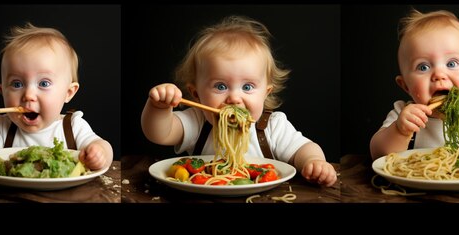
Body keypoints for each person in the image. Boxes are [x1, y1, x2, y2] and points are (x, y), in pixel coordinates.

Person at [141, 16, 337, 187]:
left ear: (265, 93)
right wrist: (159, 108)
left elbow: (304, 148)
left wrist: (314, 161)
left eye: (247, 87)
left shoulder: (272, 126)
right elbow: (159, 133)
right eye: (220, 86)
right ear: (196, 94)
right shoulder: (197, 121)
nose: (234, 98)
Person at [0, 23, 113, 170]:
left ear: (68, 93)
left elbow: (103, 146)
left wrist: (100, 153)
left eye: (44, 84)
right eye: (17, 84)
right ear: (3, 92)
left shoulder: (73, 126)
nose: (28, 95)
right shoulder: (3, 127)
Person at [369, 9, 459, 160]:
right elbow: (378, 153)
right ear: (405, 86)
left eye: (452, 63)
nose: (439, 74)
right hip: (416, 180)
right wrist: (400, 131)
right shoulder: (403, 114)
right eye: (423, 67)